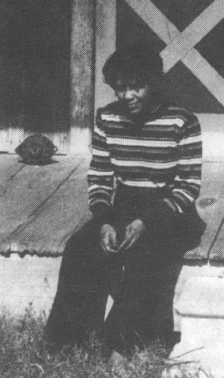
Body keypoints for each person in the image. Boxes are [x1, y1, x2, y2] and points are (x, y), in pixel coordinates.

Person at [45, 46, 204, 360]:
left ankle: (118, 346)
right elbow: (101, 176)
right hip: (123, 206)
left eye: (136, 86)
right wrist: (103, 219)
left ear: (153, 83)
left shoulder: (182, 121)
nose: (128, 94)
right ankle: (71, 344)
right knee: (80, 247)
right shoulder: (107, 118)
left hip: (169, 211)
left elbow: (188, 185)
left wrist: (146, 221)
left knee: (145, 256)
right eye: (120, 87)